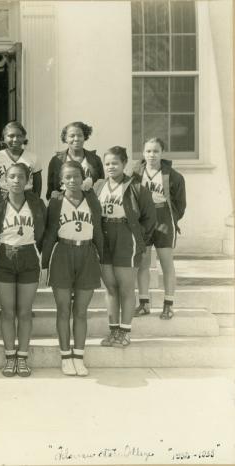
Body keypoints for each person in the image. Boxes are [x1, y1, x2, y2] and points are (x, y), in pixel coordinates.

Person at [41, 161, 104, 376]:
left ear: (83, 177)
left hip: (86, 254)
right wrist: (44, 264)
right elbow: (50, 233)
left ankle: (79, 355)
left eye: (76, 176)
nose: (72, 180)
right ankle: (65, 355)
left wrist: (102, 260)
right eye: (67, 177)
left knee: (81, 311)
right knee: (63, 309)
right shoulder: (56, 200)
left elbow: (99, 231)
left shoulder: (92, 198)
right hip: (62, 254)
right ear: (61, 180)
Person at [0, 163, 46, 377]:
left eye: (21, 177)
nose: (17, 181)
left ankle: (22, 357)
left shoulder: (37, 203)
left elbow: (43, 231)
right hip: (4, 255)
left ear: (29, 180)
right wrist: (0, 253)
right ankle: (10, 356)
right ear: (5, 180)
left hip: (29, 255)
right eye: (12, 177)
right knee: (8, 311)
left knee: (25, 311)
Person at [94, 146, 156, 348]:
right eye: (107, 163)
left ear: (124, 164)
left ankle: (125, 332)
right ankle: (113, 331)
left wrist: (138, 238)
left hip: (125, 236)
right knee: (110, 287)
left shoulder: (136, 186)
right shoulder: (98, 185)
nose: (111, 167)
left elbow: (149, 218)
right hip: (103, 236)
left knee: (126, 287)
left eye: (115, 163)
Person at [132, 138, 186, 320]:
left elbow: (180, 204)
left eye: (155, 151)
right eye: (148, 151)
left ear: (162, 153)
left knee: (166, 262)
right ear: (143, 153)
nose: (151, 155)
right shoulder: (135, 172)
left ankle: (168, 305)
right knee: (143, 263)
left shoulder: (173, 175)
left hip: (163, 218)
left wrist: (171, 218)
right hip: (143, 220)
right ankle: (144, 303)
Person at [46, 121, 104, 200]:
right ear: (66, 138)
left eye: (80, 135)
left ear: (85, 137)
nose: (76, 139)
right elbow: (51, 190)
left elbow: (102, 186)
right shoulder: (56, 160)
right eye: (72, 136)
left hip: (90, 205)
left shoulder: (95, 159)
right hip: (64, 205)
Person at [0, 121, 43, 199]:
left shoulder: (33, 158)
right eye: (11, 136)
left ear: (24, 137)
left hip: (27, 198)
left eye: (19, 136)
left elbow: (37, 187)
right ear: (4, 138)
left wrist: (35, 202)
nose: (15, 139)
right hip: (2, 199)